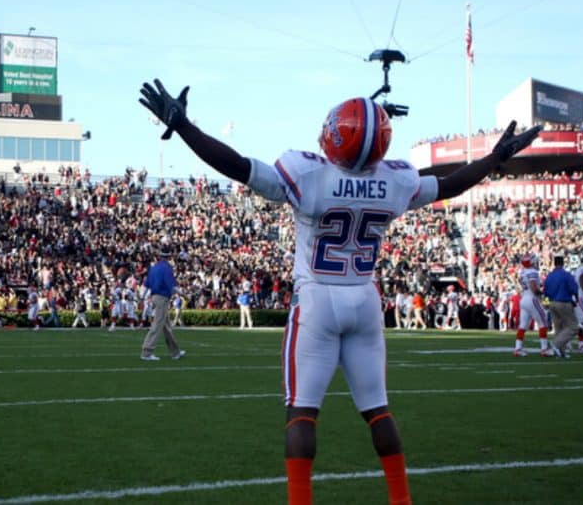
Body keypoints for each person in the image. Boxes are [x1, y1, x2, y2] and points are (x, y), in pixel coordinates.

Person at [138, 78, 540, 505]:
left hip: (316, 302)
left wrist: (183, 126)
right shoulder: (394, 181)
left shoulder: (308, 174)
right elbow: (452, 183)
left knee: (302, 414)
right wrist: (495, 158)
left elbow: (237, 165)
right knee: (378, 410)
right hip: (364, 300)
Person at [140, 243, 187, 361]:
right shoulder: (167, 268)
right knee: (157, 324)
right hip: (162, 298)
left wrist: (141, 297)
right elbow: (172, 285)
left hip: (154, 296)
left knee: (166, 326)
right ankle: (147, 351)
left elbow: (146, 284)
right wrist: (182, 293)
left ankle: (175, 352)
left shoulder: (154, 267)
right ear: (169, 256)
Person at [513, 253, 552, 357]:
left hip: (524, 298)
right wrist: (544, 297)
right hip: (532, 299)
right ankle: (544, 349)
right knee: (543, 323)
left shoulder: (522, 272)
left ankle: (518, 348)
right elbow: (534, 287)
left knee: (523, 325)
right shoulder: (532, 272)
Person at [543, 255, 578, 358]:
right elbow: (574, 289)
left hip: (552, 303)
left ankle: (560, 352)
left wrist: (546, 303)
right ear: (563, 263)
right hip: (564, 301)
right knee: (573, 327)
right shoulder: (566, 275)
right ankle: (556, 344)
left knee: (558, 327)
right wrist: (576, 299)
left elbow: (545, 292)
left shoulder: (549, 276)